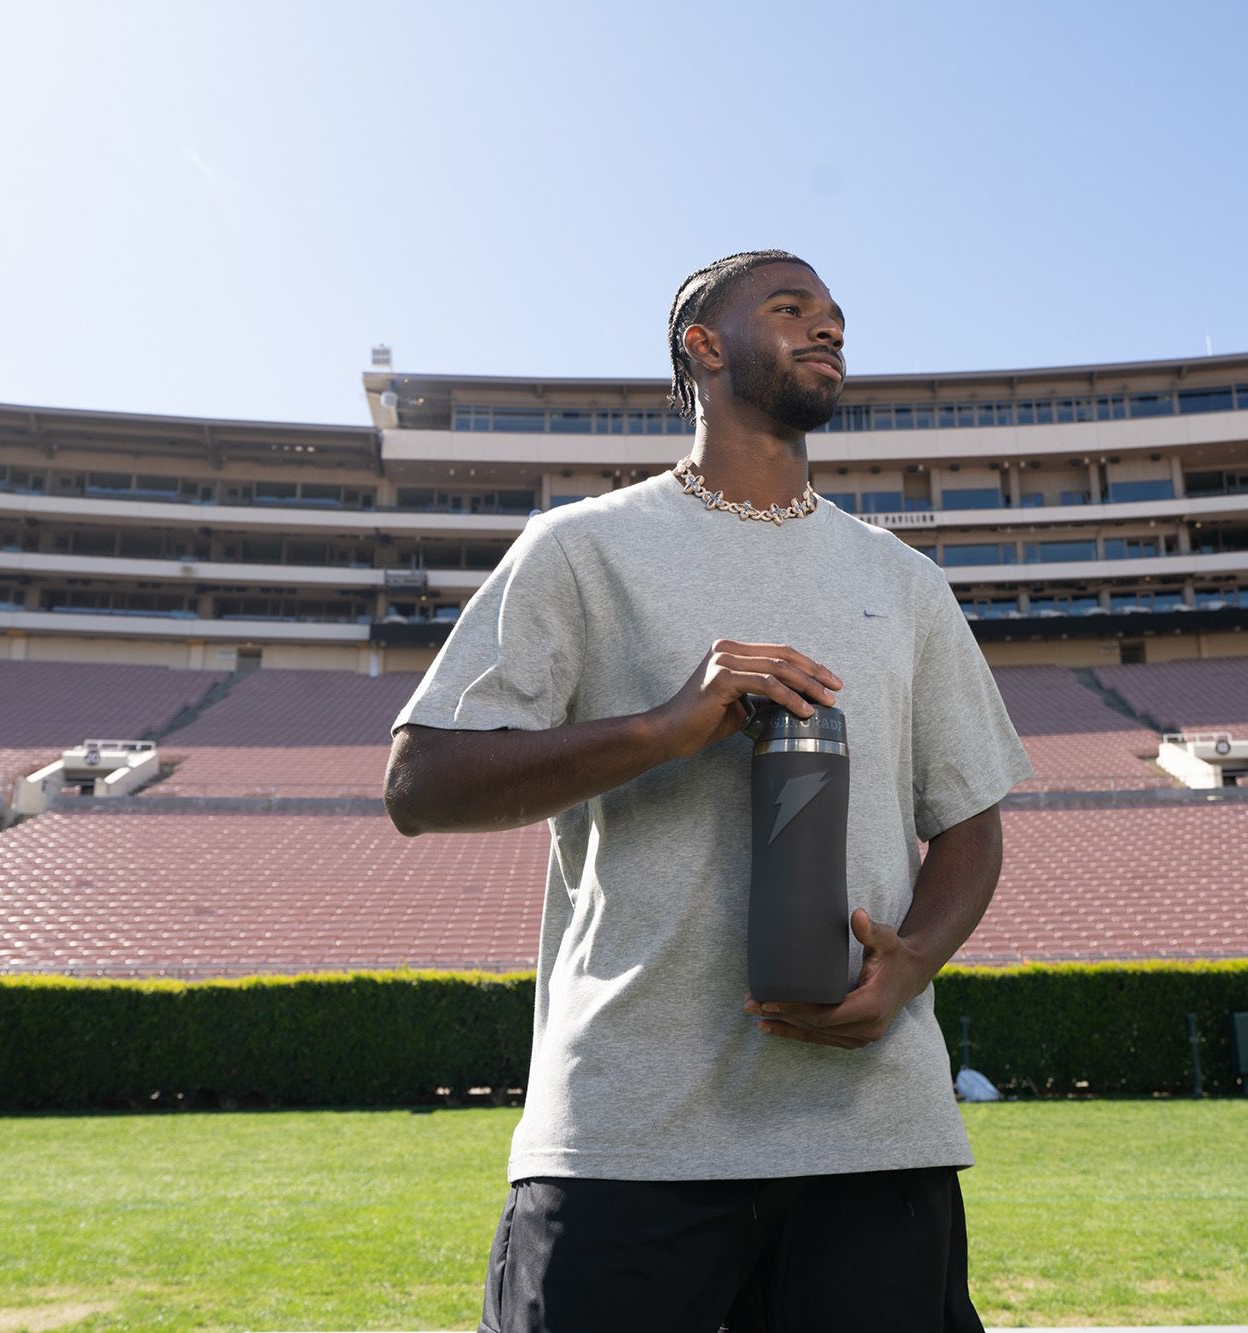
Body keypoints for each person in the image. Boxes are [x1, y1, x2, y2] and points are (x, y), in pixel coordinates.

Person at [385, 249, 1032, 1332]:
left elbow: (967, 824)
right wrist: (661, 726)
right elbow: (421, 781)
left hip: (871, 1130)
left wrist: (912, 958)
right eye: (790, 310)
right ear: (703, 346)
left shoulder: (905, 581)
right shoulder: (579, 549)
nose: (826, 328)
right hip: (627, 1135)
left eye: (833, 316)